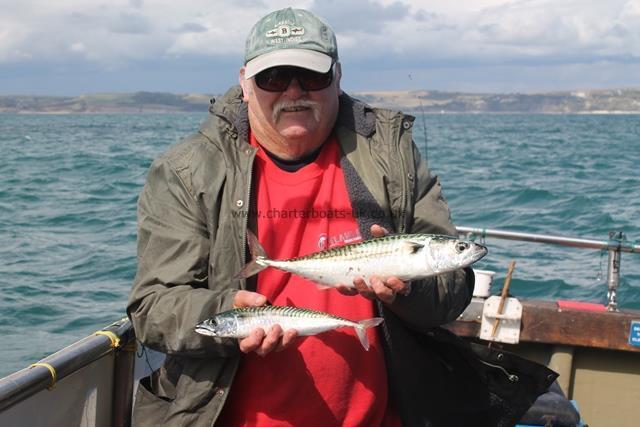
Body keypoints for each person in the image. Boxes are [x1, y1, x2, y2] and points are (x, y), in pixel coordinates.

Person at [127, 7, 555, 427]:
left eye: (311, 76)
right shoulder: (187, 171)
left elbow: (451, 292)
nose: (294, 92)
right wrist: (232, 312)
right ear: (244, 82)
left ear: (337, 75)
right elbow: (154, 308)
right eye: (273, 78)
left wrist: (405, 291)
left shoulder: (392, 157)